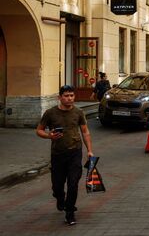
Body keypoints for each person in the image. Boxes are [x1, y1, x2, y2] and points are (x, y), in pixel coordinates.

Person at [36, 85, 94, 226]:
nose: (70, 98)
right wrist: (50, 136)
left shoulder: (79, 112)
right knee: (57, 185)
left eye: (72, 95)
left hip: (75, 152)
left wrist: (90, 151)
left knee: (73, 184)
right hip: (58, 154)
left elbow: (85, 132)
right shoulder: (50, 113)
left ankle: (70, 212)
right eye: (66, 96)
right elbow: (39, 130)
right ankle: (60, 198)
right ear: (59, 97)